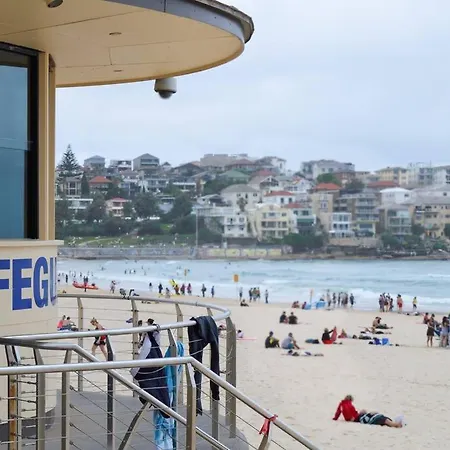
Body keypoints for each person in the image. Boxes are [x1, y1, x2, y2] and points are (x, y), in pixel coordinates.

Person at [333, 395, 403, 428]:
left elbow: (338, 413)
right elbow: (348, 413)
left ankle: (394, 423)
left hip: (358, 416)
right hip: (357, 418)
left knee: (374, 414)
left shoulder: (342, 404)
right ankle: (395, 424)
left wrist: (335, 418)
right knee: (377, 417)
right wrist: (353, 417)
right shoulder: (347, 405)